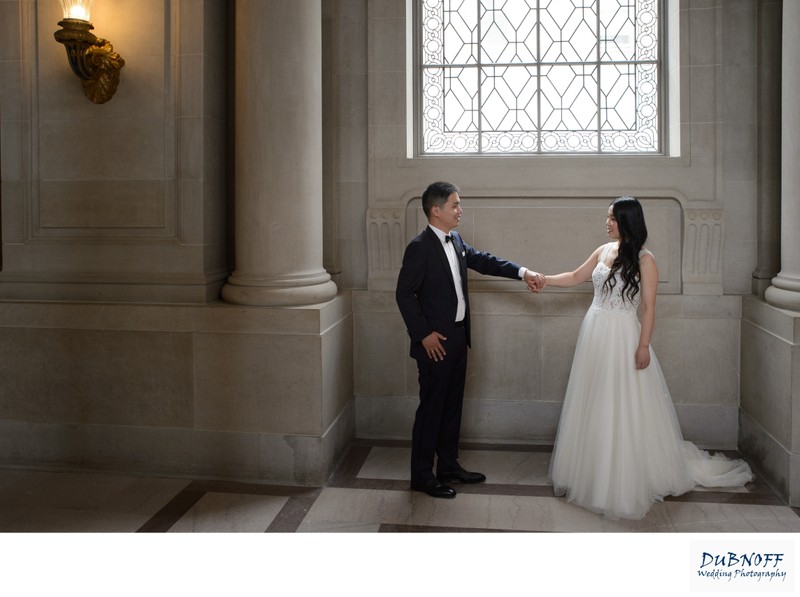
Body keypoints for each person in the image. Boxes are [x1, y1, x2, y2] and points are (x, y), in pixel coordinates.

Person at [537, 195, 753, 519]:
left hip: (623, 336)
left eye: (611, 218)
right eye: (607, 217)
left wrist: (642, 345)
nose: (606, 222)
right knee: (594, 401)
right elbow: (574, 276)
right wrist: (543, 279)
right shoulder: (603, 250)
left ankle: (624, 477)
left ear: (627, 221)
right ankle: (592, 472)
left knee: (623, 404)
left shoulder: (645, 259)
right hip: (594, 333)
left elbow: (650, 308)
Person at [396, 181, 545, 499]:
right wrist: (423, 335)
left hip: (459, 338)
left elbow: (485, 261)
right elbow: (404, 294)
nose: (460, 210)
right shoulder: (419, 247)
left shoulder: (457, 240)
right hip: (434, 344)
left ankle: (448, 466)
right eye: (455, 205)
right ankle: (422, 476)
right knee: (431, 409)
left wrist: (523, 272)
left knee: (451, 406)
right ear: (436, 211)